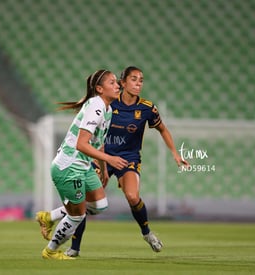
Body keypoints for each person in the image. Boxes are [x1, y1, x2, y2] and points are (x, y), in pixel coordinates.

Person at [36, 66, 189, 257]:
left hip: (125, 158)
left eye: (141, 79)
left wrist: (175, 153)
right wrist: (105, 164)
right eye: (132, 79)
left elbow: (161, 130)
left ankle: (147, 233)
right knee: (81, 207)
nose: (138, 83)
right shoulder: (102, 105)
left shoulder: (141, 108)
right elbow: (85, 143)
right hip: (93, 158)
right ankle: (70, 248)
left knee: (121, 200)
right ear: (123, 83)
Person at [38, 69, 128, 260]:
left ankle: (49, 216)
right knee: (77, 216)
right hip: (69, 167)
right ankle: (51, 251)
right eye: (112, 83)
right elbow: (81, 144)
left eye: (116, 82)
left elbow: (100, 141)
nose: (118, 85)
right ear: (99, 89)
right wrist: (110, 160)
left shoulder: (108, 109)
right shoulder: (96, 106)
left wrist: (103, 169)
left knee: (99, 205)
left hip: (84, 167)